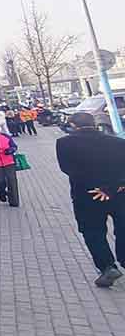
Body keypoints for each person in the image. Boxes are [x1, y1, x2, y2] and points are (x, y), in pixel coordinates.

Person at [56, 111, 125, 287]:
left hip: (86, 195)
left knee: (93, 232)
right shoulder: (118, 142)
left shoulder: (64, 143)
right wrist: (110, 188)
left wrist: (98, 188)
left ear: (73, 125)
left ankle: (107, 267)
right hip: (118, 193)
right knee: (123, 227)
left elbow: (69, 169)